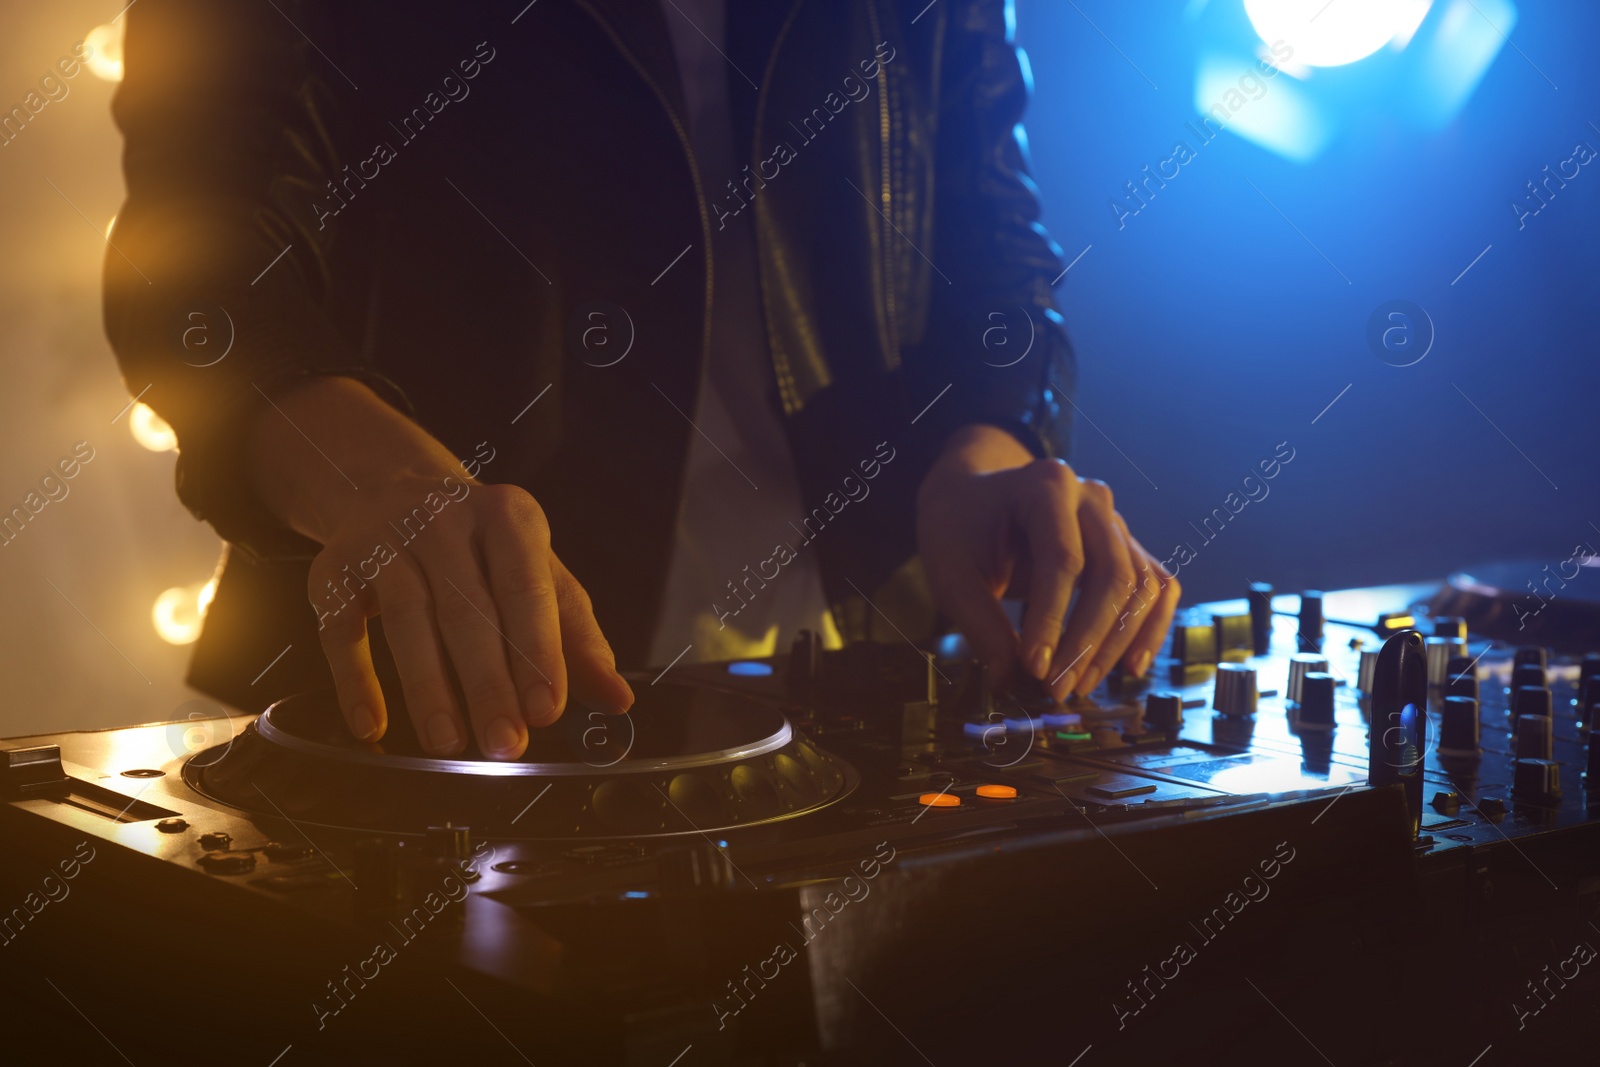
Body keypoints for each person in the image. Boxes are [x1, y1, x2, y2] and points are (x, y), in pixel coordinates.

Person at [104, 0, 1179, 762]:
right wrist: (372, 476)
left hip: (856, 677)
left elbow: (996, 252)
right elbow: (191, 246)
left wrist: (981, 452)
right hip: (427, 696)